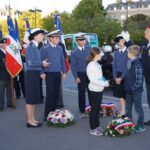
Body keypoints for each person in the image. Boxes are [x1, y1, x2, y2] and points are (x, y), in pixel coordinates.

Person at [25, 28, 49, 128]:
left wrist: (41, 71)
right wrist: (42, 63)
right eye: (41, 35)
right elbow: (30, 63)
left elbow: (36, 62)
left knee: (33, 98)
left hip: (34, 73)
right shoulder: (30, 46)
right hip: (31, 74)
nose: (43, 37)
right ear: (35, 36)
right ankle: (29, 121)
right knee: (30, 99)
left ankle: (33, 119)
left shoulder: (36, 46)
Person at [41, 30, 66, 121]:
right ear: (50, 39)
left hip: (58, 73)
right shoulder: (45, 49)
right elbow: (41, 62)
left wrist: (64, 71)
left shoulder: (60, 48)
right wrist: (41, 72)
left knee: (56, 93)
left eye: (58, 38)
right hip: (49, 74)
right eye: (56, 38)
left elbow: (62, 60)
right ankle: (47, 113)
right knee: (50, 94)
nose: (58, 39)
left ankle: (54, 111)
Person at [86, 47, 109, 136]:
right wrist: (105, 84)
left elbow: (100, 77)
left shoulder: (97, 64)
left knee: (97, 109)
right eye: (100, 54)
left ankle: (97, 125)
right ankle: (93, 129)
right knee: (94, 110)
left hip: (99, 89)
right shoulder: (91, 65)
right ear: (96, 55)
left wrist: (105, 81)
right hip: (94, 90)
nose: (101, 56)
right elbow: (93, 80)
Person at [125, 45, 145, 132]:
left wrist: (132, 88)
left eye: (128, 52)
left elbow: (139, 80)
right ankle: (129, 123)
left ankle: (141, 126)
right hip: (129, 90)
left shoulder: (137, 64)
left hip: (135, 91)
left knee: (138, 108)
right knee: (128, 107)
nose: (127, 54)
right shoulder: (131, 62)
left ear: (131, 53)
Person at [70, 34, 91, 118]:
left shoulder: (88, 48)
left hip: (90, 73)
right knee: (81, 92)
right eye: (81, 40)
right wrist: (76, 77)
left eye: (84, 40)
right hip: (80, 74)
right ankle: (82, 108)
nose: (83, 42)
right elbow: (73, 66)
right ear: (77, 41)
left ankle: (91, 106)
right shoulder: (74, 52)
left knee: (91, 90)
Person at [113, 35, 128, 116]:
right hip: (117, 76)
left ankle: (127, 111)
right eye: (121, 41)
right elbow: (114, 66)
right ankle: (123, 111)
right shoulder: (116, 52)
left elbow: (127, 66)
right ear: (118, 43)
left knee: (126, 94)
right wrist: (115, 77)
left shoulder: (128, 51)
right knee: (120, 95)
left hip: (126, 75)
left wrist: (121, 77)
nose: (123, 42)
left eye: (123, 40)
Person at [0, 37, 13, 111]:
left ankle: (10, 103)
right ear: (1, 44)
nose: (6, 45)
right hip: (1, 75)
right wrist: (5, 65)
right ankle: (1, 105)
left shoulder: (9, 52)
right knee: (1, 92)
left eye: (6, 44)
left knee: (10, 90)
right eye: (5, 44)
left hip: (10, 74)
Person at [141, 25, 150, 125]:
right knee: (149, 98)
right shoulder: (145, 45)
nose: (145, 33)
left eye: (147, 31)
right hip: (147, 77)